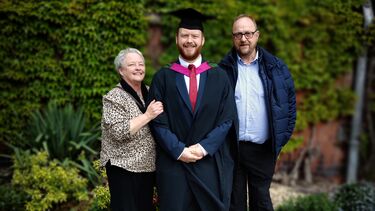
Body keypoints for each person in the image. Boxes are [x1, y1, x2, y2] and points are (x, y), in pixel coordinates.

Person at [148, 8, 238, 211]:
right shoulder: (163, 77)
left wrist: (203, 147)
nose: (190, 40)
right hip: (174, 166)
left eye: (194, 36)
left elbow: (227, 118)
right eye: (185, 35)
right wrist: (179, 150)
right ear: (177, 38)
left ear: (203, 40)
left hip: (209, 164)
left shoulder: (219, 76)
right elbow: (157, 121)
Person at [219, 14, 297, 211]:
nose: (243, 38)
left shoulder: (277, 69)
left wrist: (279, 141)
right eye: (238, 34)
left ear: (257, 35)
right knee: (233, 203)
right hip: (232, 149)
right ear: (233, 38)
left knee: (261, 202)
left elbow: (289, 108)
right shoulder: (222, 70)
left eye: (247, 33)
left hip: (263, 150)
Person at [100, 48, 163, 211]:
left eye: (141, 64)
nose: (138, 68)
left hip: (147, 167)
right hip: (123, 168)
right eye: (132, 64)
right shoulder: (114, 97)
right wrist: (147, 115)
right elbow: (118, 132)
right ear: (121, 70)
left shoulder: (150, 91)